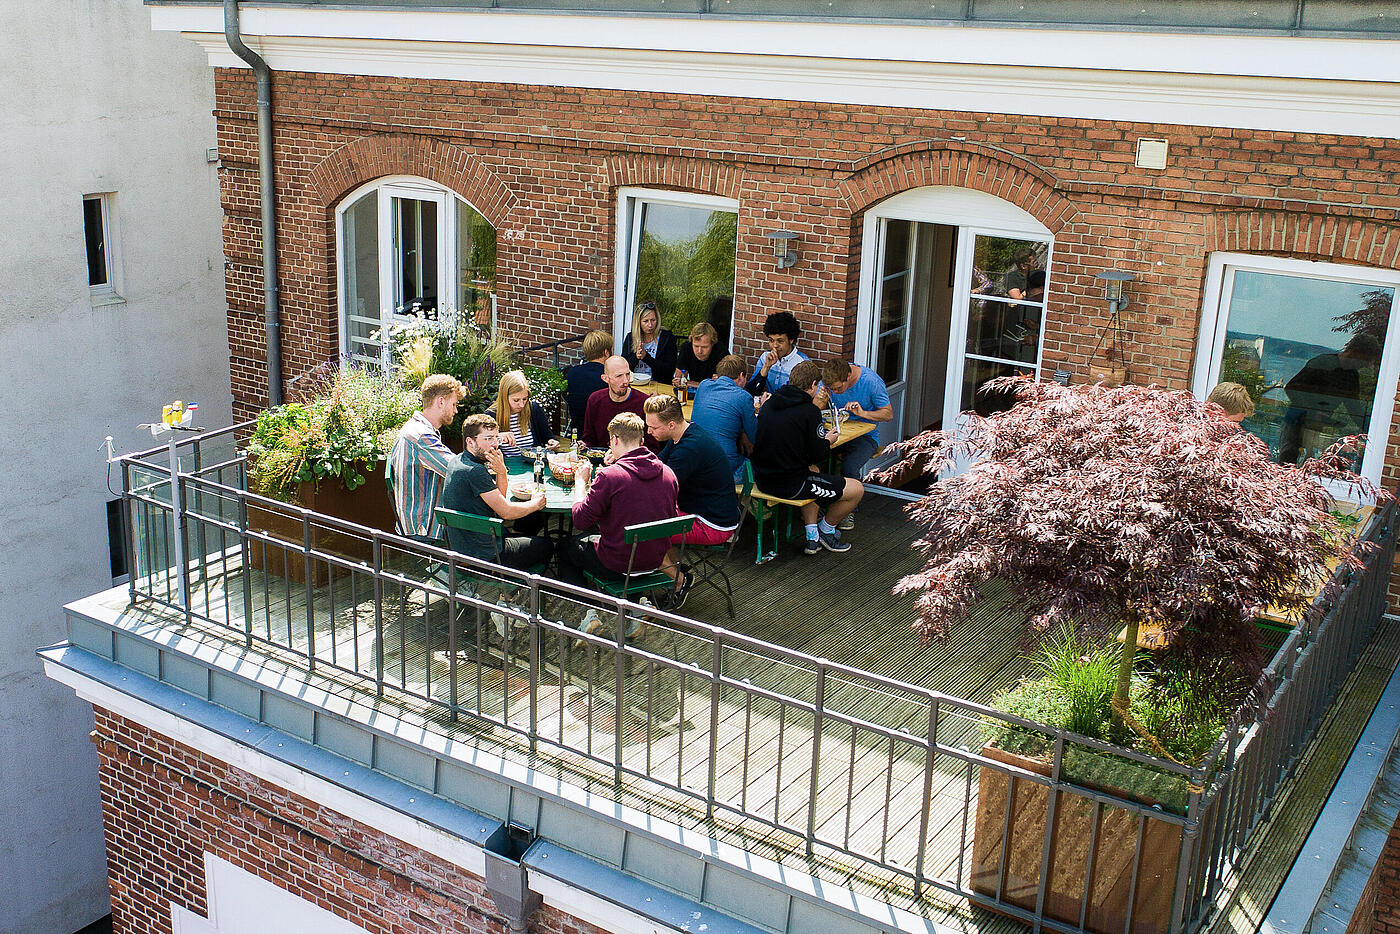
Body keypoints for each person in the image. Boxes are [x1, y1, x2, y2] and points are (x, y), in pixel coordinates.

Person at [559, 413, 679, 631]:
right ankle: (636, 609)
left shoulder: (610, 477)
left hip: (617, 565)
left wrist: (580, 483)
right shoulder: (669, 473)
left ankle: (587, 613)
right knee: (627, 542)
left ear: (614, 440)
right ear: (642, 442)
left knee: (566, 547)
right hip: (654, 562)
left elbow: (580, 519)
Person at [751, 360, 863, 554]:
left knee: (813, 470)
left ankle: (812, 538)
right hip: (791, 485)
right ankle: (827, 530)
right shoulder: (809, 412)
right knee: (857, 489)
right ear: (813, 385)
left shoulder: (768, 405)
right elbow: (819, 453)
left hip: (763, 479)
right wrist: (828, 440)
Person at [644, 395, 742, 608]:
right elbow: (657, 464)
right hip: (701, 509)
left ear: (671, 424)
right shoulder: (684, 434)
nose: (649, 432)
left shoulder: (689, 449)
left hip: (711, 523)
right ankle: (674, 569)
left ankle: (679, 580)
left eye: (653, 427)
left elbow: (661, 487)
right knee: (649, 522)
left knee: (645, 535)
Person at [441, 414, 555, 571]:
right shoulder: (475, 471)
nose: (495, 444)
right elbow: (506, 512)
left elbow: (499, 499)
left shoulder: (458, 460)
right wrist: (536, 503)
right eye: (488, 439)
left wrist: (501, 472)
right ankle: (510, 589)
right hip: (487, 554)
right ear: (470, 441)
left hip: (464, 547)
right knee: (547, 545)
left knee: (525, 528)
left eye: (496, 438)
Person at [1277, 334, 1382, 465]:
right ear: (1355, 352)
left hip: (1316, 426)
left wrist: (1369, 429)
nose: (1365, 366)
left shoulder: (1351, 376)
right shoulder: (1322, 363)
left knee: (1312, 464)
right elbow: (1292, 388)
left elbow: (1354, 408)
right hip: (1296, 422)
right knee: (1287, 461)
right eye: (1365, 360)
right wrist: (1313, 412)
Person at [387, 373, 465, 544]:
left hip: (411, 523)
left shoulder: (415, 428)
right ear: (441, 402)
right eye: (454, 404)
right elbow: (457, 471)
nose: (456, 410)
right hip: (424, 528)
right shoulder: (422, 436)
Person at [820, 359, 893, 529]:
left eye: (838, 388)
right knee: (816, 458)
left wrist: (863, 413)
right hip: (835, 432)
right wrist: (820, 400)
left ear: (848, 376)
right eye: (832, 389)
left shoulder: (870, 382)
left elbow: (888, 414)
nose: (836, 392)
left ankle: (847, 511)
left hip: (865, 436)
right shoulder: (829, 384)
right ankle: (820, 506)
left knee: (849, 467)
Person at [691, 354, 758, 480]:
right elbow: (754, 436)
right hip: (725, 468)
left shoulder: (703, 386)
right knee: (761, 467)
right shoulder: (744, 397)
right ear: (741, 376)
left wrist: (741, 432)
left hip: (696, 462)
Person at [581, 356, 654, 449]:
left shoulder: (643, 402)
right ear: (605, 378)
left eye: (628, 374)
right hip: (600, 458)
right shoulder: (595, 400)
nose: (625, 381)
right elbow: (589, 440)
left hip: (634, 460)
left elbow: (652, 447)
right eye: (619, 376)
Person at [492, 369, 559, 457]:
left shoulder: (534, 409)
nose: (521, 404)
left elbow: (548, 436)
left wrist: (552, 442)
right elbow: (482, 447)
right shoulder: (491, 415)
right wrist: (497, 437)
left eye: (525, 399)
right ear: (504, 397)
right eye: (516, 400)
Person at [745, 311, 808, 395]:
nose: (775, 345)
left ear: (791, 340)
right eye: (771, 340)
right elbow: (750, 391)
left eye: (780, 341)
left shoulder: (802, 362)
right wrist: (766, 368)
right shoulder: (765, 357)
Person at [621, 300, 678, 385]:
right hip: (634, 385)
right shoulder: (630, 338)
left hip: (659, 385)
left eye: (653, 320)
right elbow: (623, 368)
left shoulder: (667, 338)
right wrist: (636, 357)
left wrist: (646, 357)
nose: (650, 325)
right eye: (645, 321)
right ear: (638, 322)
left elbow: (669, 370)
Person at [566, 329, 612, 431]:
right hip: (602, 433)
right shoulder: (608, 377)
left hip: (578, 430)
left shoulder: (573, 372)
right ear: (606, 352)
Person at [675, 321, 721, 386]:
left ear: (712, 344)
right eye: (696, 346)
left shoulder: (721, 352)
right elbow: (679, 380)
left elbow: (720, 386)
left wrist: (689, 383)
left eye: (704, 347)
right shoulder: (686, 348)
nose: (699, 351)